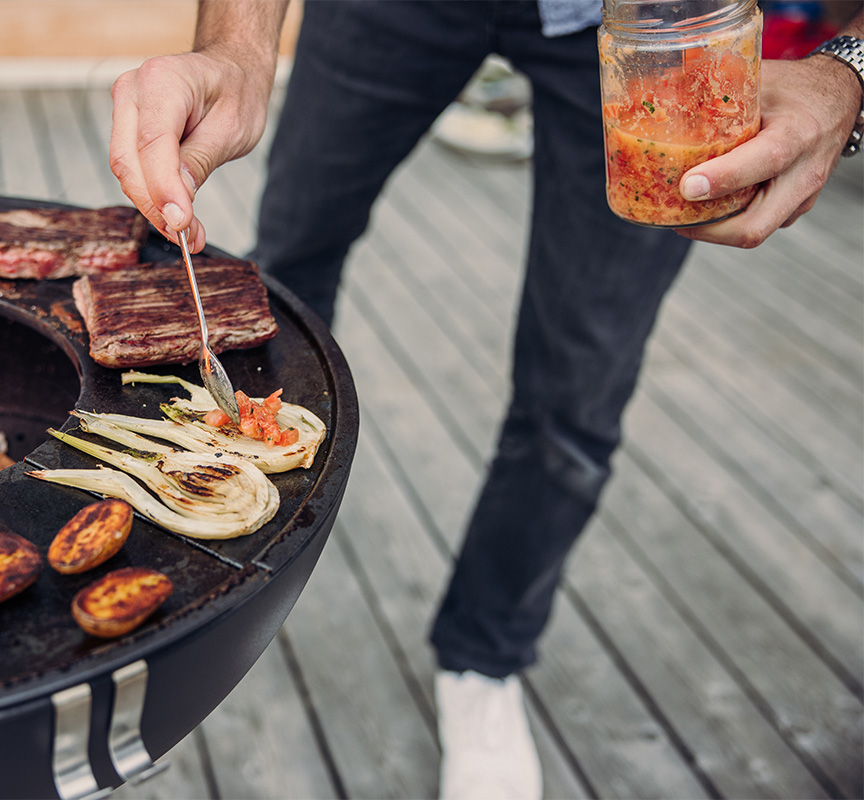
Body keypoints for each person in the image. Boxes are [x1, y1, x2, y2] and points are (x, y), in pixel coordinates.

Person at [107, 1, 864, 797]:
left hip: (651, 23)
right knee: (288, 272)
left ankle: (483, 658)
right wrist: (235, 45)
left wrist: (850, 66)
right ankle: (227, 531)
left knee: (578, 384)